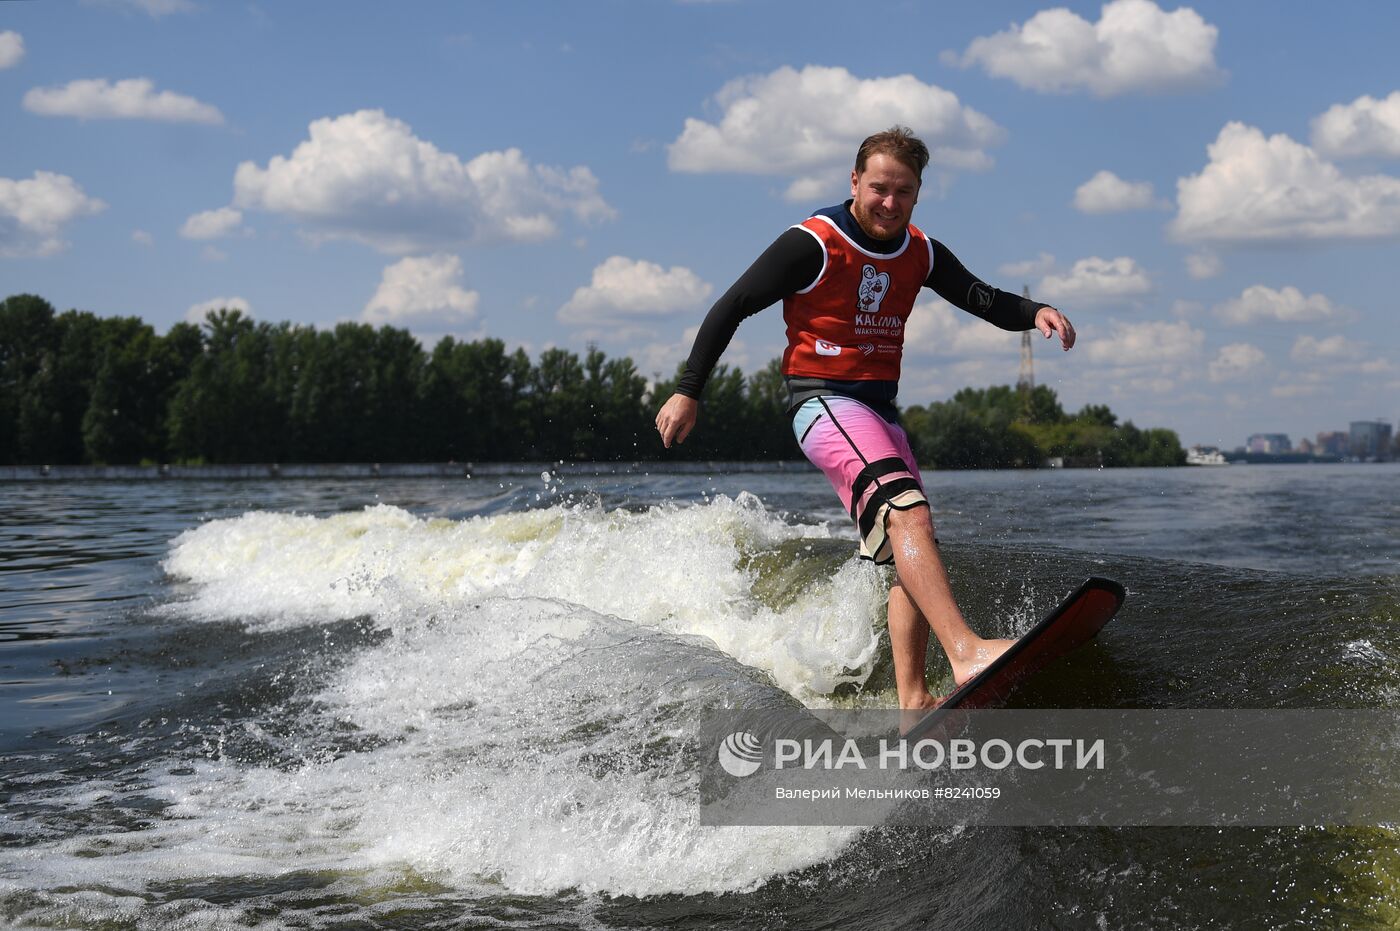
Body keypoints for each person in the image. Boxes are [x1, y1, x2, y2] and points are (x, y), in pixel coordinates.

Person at [654, 126, 1077, 713]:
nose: (889, 202)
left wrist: (1037, 312)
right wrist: (687, 391)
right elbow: (732, 305)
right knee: (909, 516)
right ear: (855, 182)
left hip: (879, 415)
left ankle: (912, 704)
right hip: (824, 402)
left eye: (904, 192)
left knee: (912, 541)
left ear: (917, 195)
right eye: (879, 187)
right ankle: (966, 652)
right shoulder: (813, 242)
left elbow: (981, 297)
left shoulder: (919, 251)